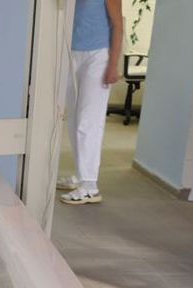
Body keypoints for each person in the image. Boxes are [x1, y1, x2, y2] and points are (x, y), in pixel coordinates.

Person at [58, 0, 123, 205]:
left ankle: (90, 185)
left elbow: (118, 26)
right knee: (73, 120)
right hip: (70, 53)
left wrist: (113, 65)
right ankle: (80, 175)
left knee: (88, 121)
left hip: (97, 56)